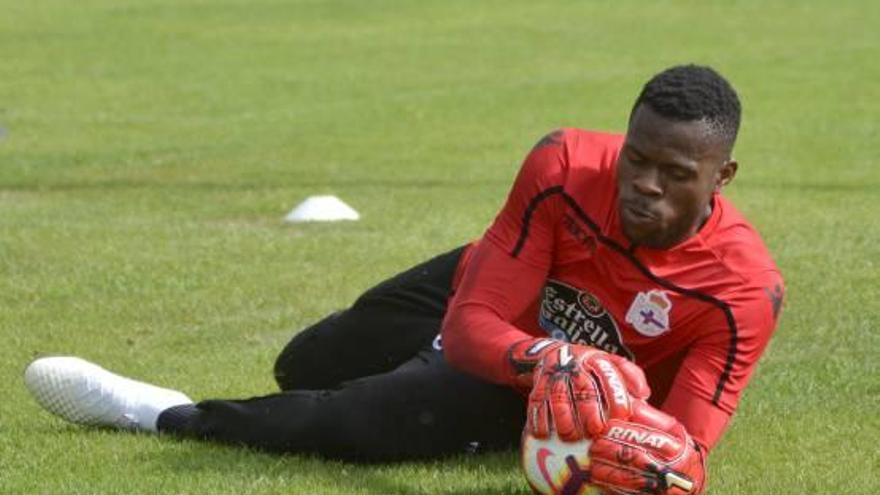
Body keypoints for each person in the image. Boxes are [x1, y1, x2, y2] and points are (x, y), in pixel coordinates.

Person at [25, 65, 783, 494]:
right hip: (504, 312)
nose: (644, 184)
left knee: (360, 420)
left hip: (536, 389)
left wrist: (619, 445)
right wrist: (554, 352)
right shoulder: (563, 164)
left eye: (674, 174)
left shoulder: (744, 289)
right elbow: (473, 322)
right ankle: (434, 387)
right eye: (637, 158)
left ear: (723, 176)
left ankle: (159, 413)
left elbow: (683, 450)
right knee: (307, 361)